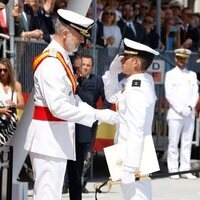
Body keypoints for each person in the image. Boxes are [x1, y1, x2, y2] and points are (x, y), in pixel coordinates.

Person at [24, 8, 119, 200]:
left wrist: (96, 113)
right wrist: (96, 115)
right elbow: (58, 106)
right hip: (48, 139)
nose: (82, 41)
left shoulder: (62, 58)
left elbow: (72, 98)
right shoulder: (51, 61)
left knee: (52, 194)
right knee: (47, 195)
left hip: (55, 137)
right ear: (65, 33)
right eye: (79, 36)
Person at [102, 38, 159, 200]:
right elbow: (112, 96)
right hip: (131, 153)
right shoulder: (138, 82)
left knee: (138, 196)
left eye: (125, 57)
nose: (122, 61)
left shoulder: (137, 90)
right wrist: (111, 74)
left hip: (134, 157)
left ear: (135, 62)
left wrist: (130, 167)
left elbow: (136, 128)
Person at [66, 54, 111, 199]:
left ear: (92, 67)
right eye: (82, 65)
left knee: (85, 156)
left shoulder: (97, 81)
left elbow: (105, 99)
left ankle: (82, 182)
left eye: (88, 65)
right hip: (71, 122)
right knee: (69, 155)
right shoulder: (73, 78)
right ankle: (66, 183)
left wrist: (100, 115)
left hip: (88, 123)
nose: (84, 68)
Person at [165, 48, 199, 180]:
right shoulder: (170, 74)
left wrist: (190, 107)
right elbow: (169, 95)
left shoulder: (192, 75)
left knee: (187, 143)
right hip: (175, 113)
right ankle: (173, 170)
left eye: (184, 59)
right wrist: (181, 109)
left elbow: (195, 93)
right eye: (180, 58)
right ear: (175, 58)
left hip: (189, 113)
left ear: (187, 59)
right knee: (173, 142)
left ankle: (185, 169)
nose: (182, 61)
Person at [0, 58, 24, 144]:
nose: (2, 73)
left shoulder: (16, 85)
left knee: (11, 150)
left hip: (11, 124)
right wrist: (2, 110)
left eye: (5, 70)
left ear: (9, 70)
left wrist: (15, 105)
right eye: (0, 70)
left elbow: (22, 105)